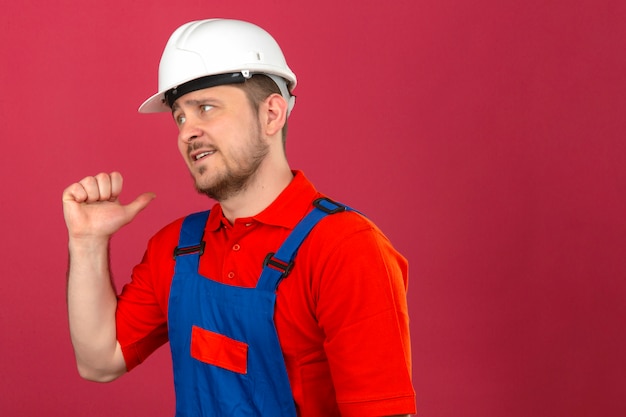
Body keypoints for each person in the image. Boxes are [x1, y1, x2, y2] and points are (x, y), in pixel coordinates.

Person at [63, 18, 416, 417]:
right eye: (179, 116)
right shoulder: (177, 249)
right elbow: (99, 360)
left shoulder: (344, 249)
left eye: (206, 108)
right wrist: (87, 242)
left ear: (271, 114)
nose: (186, 132)